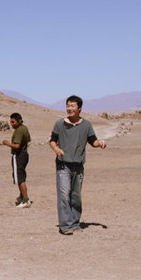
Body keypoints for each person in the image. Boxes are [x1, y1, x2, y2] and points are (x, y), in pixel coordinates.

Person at [48, 95, 107, 235]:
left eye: (72, 106)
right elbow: (52, 140)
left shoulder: (86, 125)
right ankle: (65, 226)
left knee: (76, 196)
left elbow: (93, 141)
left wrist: (100, 144)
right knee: (63, 194)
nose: (69, 108)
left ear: (79, 108)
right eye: (68, 105)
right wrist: (56, 149)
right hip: (63, 165)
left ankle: (74, 222)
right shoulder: (59, 124)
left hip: (78, 166)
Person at [2, 112, 31, 207]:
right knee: (21, 175)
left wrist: (7, 143)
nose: (12, 124)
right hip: (24, 154)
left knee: (19, 178)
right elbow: (29, 139)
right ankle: (22, 196)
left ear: (18, 121)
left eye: (13, 122)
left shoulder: (19, 130)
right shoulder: (24, 128)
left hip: (18, 155)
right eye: (11, 122)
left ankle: (26, 200)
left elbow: (17, 146)